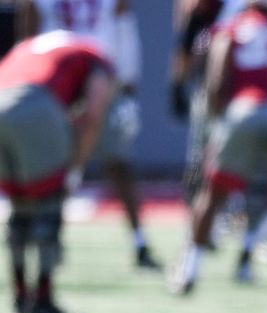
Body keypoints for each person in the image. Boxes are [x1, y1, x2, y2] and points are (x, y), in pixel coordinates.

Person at [171, 0, 267, 297]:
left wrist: (223, 126)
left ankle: (189, 271)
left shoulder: (232, 27)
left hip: (243, 110)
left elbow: (216, 84)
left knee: (213, 194)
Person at [17, 0, 162, 271]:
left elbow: (123, 25)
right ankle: (48, 237)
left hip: (100, 75)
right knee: (47, 168)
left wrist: (128, 79)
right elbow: (29, 37)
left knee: (119, 162)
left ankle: (139, 240)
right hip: (56, 81)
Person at [0, 31, 113, 313]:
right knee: (48, 206)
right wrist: (75, 167)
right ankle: (43, 299)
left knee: (19, 206)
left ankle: (20, 296)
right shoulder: (94, 54)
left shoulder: (28, 46)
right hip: (34, 105)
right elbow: (93, 114)